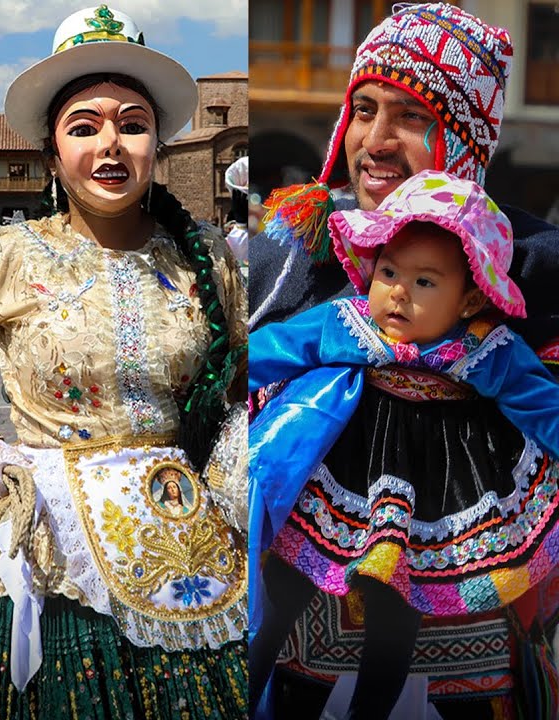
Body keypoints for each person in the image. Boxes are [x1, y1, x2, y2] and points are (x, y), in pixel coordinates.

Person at [0, 6, 249, 717]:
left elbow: (244, 387)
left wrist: (235, 465)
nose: (111, 145)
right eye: (84, 128)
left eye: (132, 124)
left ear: (157, 145)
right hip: (47, 546)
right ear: (51, 154)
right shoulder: (7, 256)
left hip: (189, 540)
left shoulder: (209, 267)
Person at [247, 5, 559, 715]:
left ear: (467, 141)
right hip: (301, 653)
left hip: (476, 665)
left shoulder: (539, 275)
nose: (375, 142)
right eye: (362, 110)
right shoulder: (292, 252)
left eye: (412, 116)